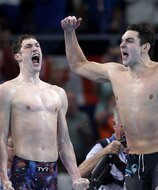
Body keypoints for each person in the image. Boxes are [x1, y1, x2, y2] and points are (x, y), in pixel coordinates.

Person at [61, 16, 158, 190]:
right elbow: (78, 65)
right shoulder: (116, 73)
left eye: (129, 41)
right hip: (134, 160)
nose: (122, 45)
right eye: (121, 41)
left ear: (145, 47)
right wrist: (69, 33)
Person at [0, 34, 89, 190]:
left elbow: (64, 141)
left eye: (37, 46)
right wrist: (4, 178)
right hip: (23, 166)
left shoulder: (58, 93)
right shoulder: (6, 90)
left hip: (51, 169)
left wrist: (76, 177)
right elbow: (0, 139)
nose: (35, 48)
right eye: (29, 46)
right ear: (18, 56)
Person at [79, 107, 127, 190]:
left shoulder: (144, 147)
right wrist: (106, 151)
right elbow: (80, 173)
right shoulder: (104, 145)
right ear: (114, 124)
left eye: (131, 127)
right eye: (123, 126)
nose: (127, 131)